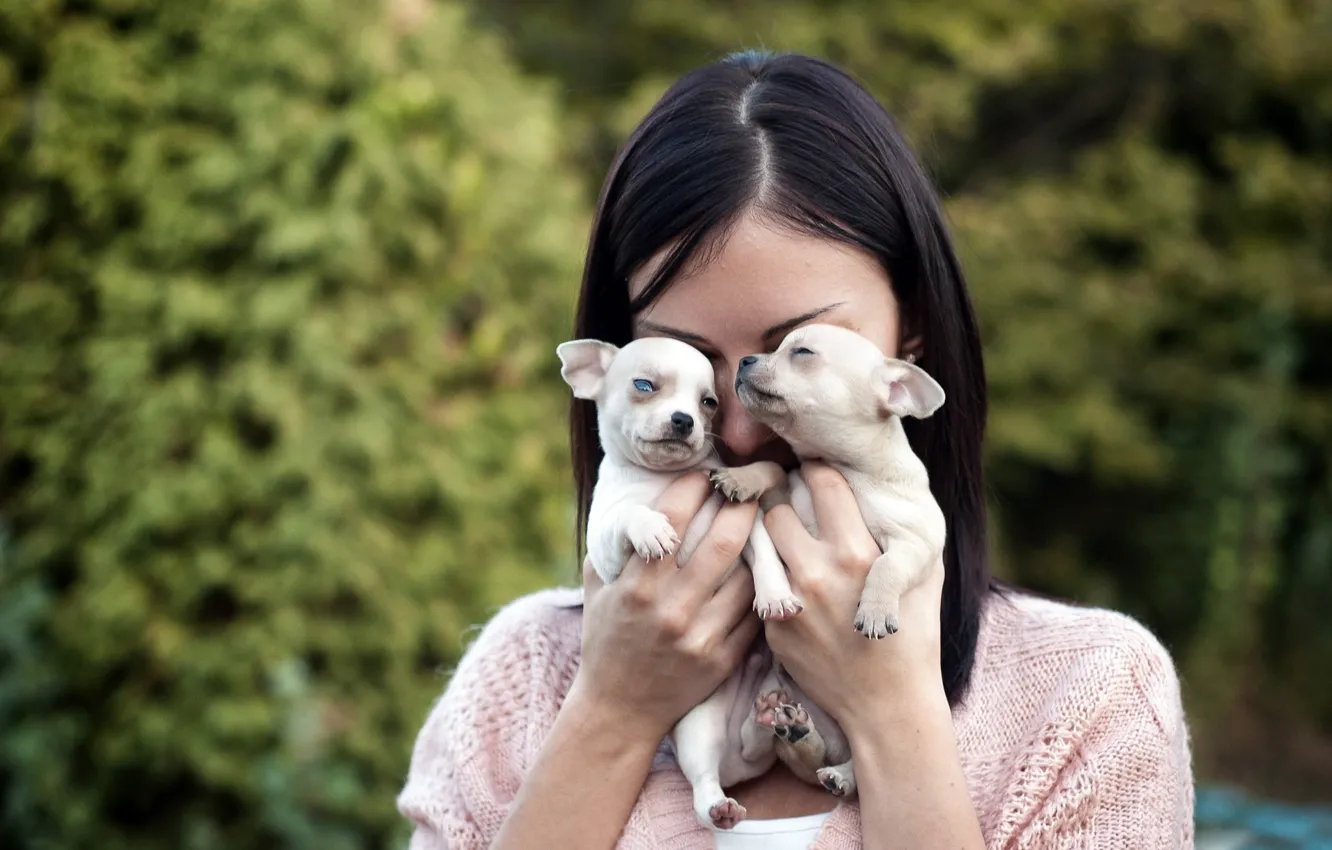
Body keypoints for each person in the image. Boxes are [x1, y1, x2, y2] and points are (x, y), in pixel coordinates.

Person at [397, 51, 1195, 850]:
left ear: (907, 338)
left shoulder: (1086, 697)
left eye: (800, 347)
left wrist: (892, 716)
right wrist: (611, 714)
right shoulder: (526, 674)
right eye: (683, 362)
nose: (734, 427)